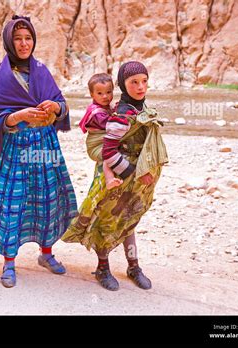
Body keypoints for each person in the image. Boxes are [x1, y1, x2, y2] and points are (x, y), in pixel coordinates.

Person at [0, 15, 77, 288]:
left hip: (45, 146)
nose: (24, 44)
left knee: (46, 200)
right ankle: (9, 262)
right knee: (12, 203)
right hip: (14, 150)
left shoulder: (42, 70)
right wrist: (16, 116)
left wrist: (56, 108)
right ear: (9, 42)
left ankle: (46, 254)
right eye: (18, 39)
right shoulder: (1, 78)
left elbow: (62, 104)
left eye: (28, 38)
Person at [62, 61, 168, 291]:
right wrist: (133, 173)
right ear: (123, 84)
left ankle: (133, 266)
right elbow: (109, 150)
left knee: (129, 220)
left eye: (144, 81)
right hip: (119, 177)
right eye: (134, 82)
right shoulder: (122, 115)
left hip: (134, 178)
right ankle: (102, 268)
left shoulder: (140, 108)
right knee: (107, 222)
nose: (141, 87)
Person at [79, 73, 131, 190]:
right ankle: (109, 179)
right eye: (100, 93)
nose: (105, 96)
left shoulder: (105, 106)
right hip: (96, 146)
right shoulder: (97, 113)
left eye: (108, 92)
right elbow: (111, 126)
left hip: (102, 142)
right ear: (92, 94)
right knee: (109, 154)